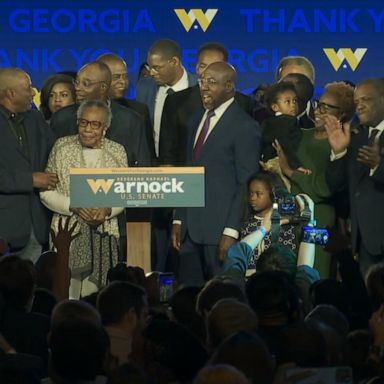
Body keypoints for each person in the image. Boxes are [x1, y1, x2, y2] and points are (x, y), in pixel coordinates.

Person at [171, 62, 261, 286]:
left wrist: (231, 231)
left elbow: (245, 183)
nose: (204, 87)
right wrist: (179, 217)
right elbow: (188, 171)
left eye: (211, 82)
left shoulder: (245, 126)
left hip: (220, 230)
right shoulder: (195, 120)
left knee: (222, 297)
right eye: (202, 81)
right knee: (189, 298)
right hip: (189, 231)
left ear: (229, 85)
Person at [40, 100, 128, 299]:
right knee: (65, 293)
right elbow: (46, 192)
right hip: (67, 234)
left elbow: (124, 193)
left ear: (106, 127)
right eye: (83, 123)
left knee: (96, 296)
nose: (88, 129)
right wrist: (73, 205)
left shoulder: (117, 151)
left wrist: (107, 210)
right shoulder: (61, 147)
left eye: (95, 124)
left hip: (103, 233)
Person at [275, 81, 355, 277]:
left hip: (319, 219)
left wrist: (291, 172)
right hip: (289, 217)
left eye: (327, 108)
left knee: (313, 274)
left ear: (342, 115)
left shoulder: (341, 146)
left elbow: (324, 189)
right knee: (286, 274)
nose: (319, 111)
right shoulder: (300, 136)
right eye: (319, 104)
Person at [159, 42, 253, 167]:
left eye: (215, 67)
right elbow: (167, 155)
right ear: (197, 68)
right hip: (185, 180)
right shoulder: (175, 101)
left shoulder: (242, 103)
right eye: (203, 66)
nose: (208, 72)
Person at [325, 78, 384, 275]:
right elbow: (337, 185)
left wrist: (378, 166)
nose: (359, 107)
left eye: (365, 99)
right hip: (365, 244)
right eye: (357, 102)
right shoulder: (356, 137)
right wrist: (339, 153)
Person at [0, 68, 57, 263]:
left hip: (37, 226)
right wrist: (29, 179)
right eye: (28, 88)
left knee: (29, 290)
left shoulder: (36, 119)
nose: (33, 92)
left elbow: (53, 154)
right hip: (4, 229)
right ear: (10, 93)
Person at [50, 60, 150, 167]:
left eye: (86, 84)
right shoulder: (61, 118)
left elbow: (143, 166)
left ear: (103, 87)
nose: (78, 88)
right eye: (77, 82)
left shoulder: (131, 120)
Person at [224, 171, 300, 273]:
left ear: (274, 194)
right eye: (251, 193)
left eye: (258, 194)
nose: (252, 198)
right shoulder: (246, 224)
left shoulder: (287, 224)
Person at [136, 38, 197, 161]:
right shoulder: (144, 87)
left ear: (174, 62)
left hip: (190, 167)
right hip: (153, 165)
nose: (152, 73)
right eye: (150, 68)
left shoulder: (198, 87)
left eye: (157, 68)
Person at [96, 53, 154, 161]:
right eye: (117, 77)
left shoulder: (139, 111)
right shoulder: (79, 112)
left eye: (125, 76)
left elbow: (147, 158)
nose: (123, 82)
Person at [261, 82, 311, 182]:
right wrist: (296, 166)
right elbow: (285, 144)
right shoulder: (288, 121)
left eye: (295, 101)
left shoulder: (268, 122)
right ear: (275, 107)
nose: (293, 105)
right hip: (281, 166)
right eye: (287, 102)